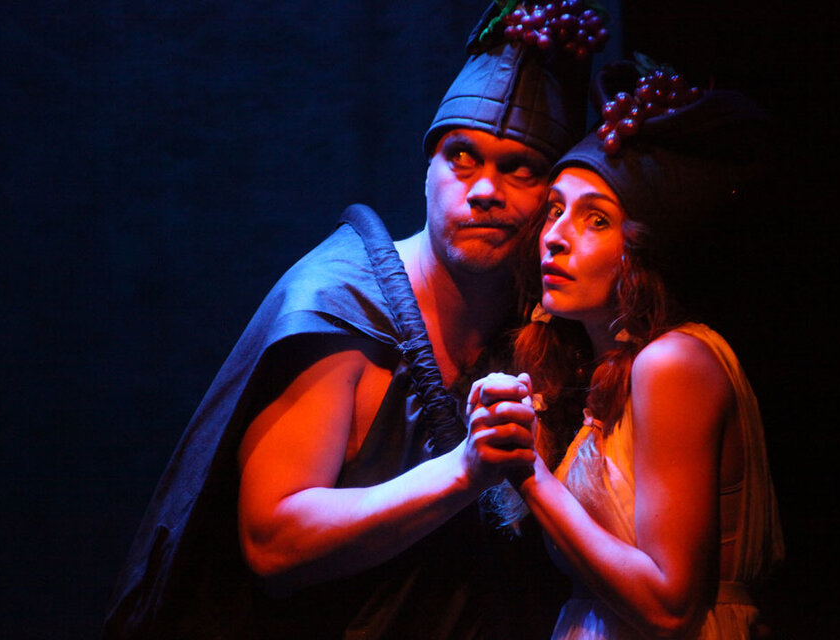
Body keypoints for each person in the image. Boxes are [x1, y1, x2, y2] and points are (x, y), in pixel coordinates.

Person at [102, 5, 592, 639]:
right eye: (462, 157)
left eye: (520, 168)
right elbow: (273, 542)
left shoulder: (554, 327)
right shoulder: (340, 305)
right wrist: (464, 471)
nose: (483, 190)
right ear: (427, 171)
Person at [468, 62, 785, 639]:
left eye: (595, 220)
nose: (555, 236)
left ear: (641, 253)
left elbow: (669, 606)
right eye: (556, 209)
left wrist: (529, 472)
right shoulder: (608, 368)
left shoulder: (673, 362)